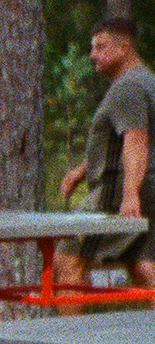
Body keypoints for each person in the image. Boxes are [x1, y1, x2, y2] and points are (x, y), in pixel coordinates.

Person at [54, 16, 155, 291]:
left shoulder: (128, 88)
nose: (92, 55)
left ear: (124, 48)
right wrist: (81, 171)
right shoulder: (146, 80)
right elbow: (118, 142)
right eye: (92, 48)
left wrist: (130, 193)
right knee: (144, 267)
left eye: (100, 47)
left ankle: (68, 324)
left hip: (117, 192)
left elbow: (136, 140)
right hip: (147, 188)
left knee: (67, 261)